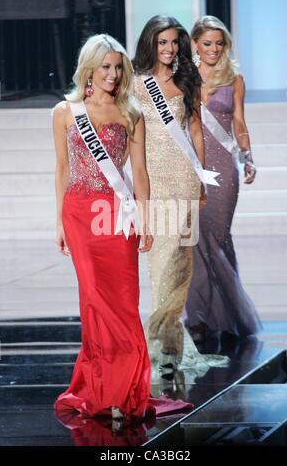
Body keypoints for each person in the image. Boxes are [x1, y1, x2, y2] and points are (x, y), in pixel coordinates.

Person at [53, 33, 192, 423]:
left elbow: (141, 173)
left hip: (119, 214)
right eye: (105, 67)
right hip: (81, 215)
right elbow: (62, 170)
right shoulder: (65, 112)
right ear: (89, 70)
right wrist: (59, 221)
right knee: (95, 302)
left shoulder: (131, 113)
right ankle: (100, 385)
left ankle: (126, 385)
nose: (113, 74)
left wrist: (145, 219)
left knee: (124, 301)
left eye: (118, 67)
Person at [133, 15, 228, 374]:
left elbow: (197, 132)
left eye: (174, 42)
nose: (170, 49)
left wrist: (201, 179)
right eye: (163, 42)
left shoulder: (188, 79)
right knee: (162, 260)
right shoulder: (138, 84)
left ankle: (167, 345)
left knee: (181, 263)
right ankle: (158, 342)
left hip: (185, 180)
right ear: (151, 44)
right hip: (154, 181)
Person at [185, 16, 261, 340]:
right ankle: (200, 316)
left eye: (219, 43)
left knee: (217, 237)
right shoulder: (183, 79)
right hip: (191, 166)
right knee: (195, 242)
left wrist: (248, 155)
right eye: (207, 43)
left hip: (224, 169)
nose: (214, 49)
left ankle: (224, 314)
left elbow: (239, 122)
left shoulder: (235, 79)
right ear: (195, 45)